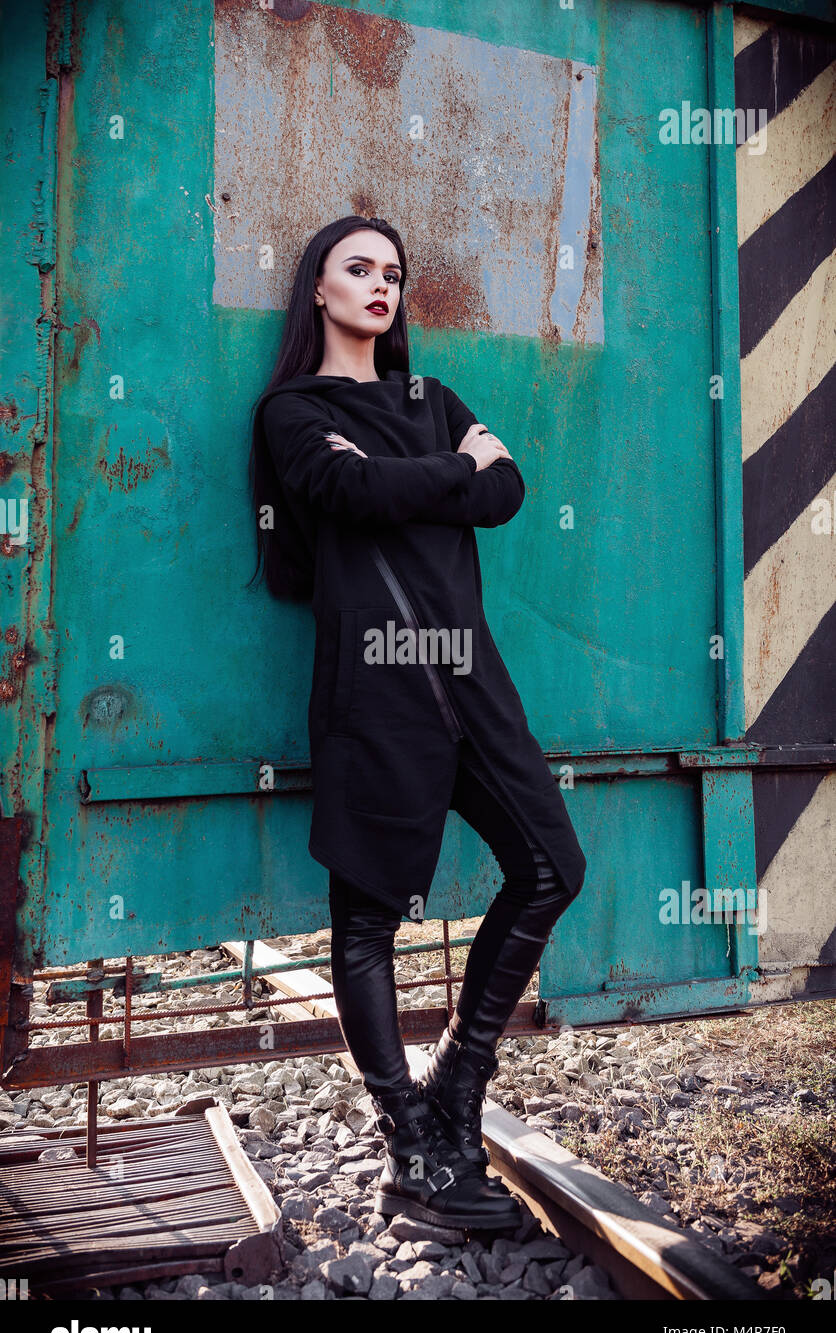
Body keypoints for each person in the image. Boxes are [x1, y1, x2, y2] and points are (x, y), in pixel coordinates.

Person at [248, 214, 587, 1232]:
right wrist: (454, 472)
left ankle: (454, 1086)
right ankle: (412, 1151)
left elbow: (509, 490)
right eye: (356, 268)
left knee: (550, 866)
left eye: (392, 272)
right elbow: (346, 488)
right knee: (366, 922)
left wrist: (431, 478)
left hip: (468, 677)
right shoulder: (291, 411)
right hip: (374, 687)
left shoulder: (427, 396)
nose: (378, 284)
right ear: (317, 287)